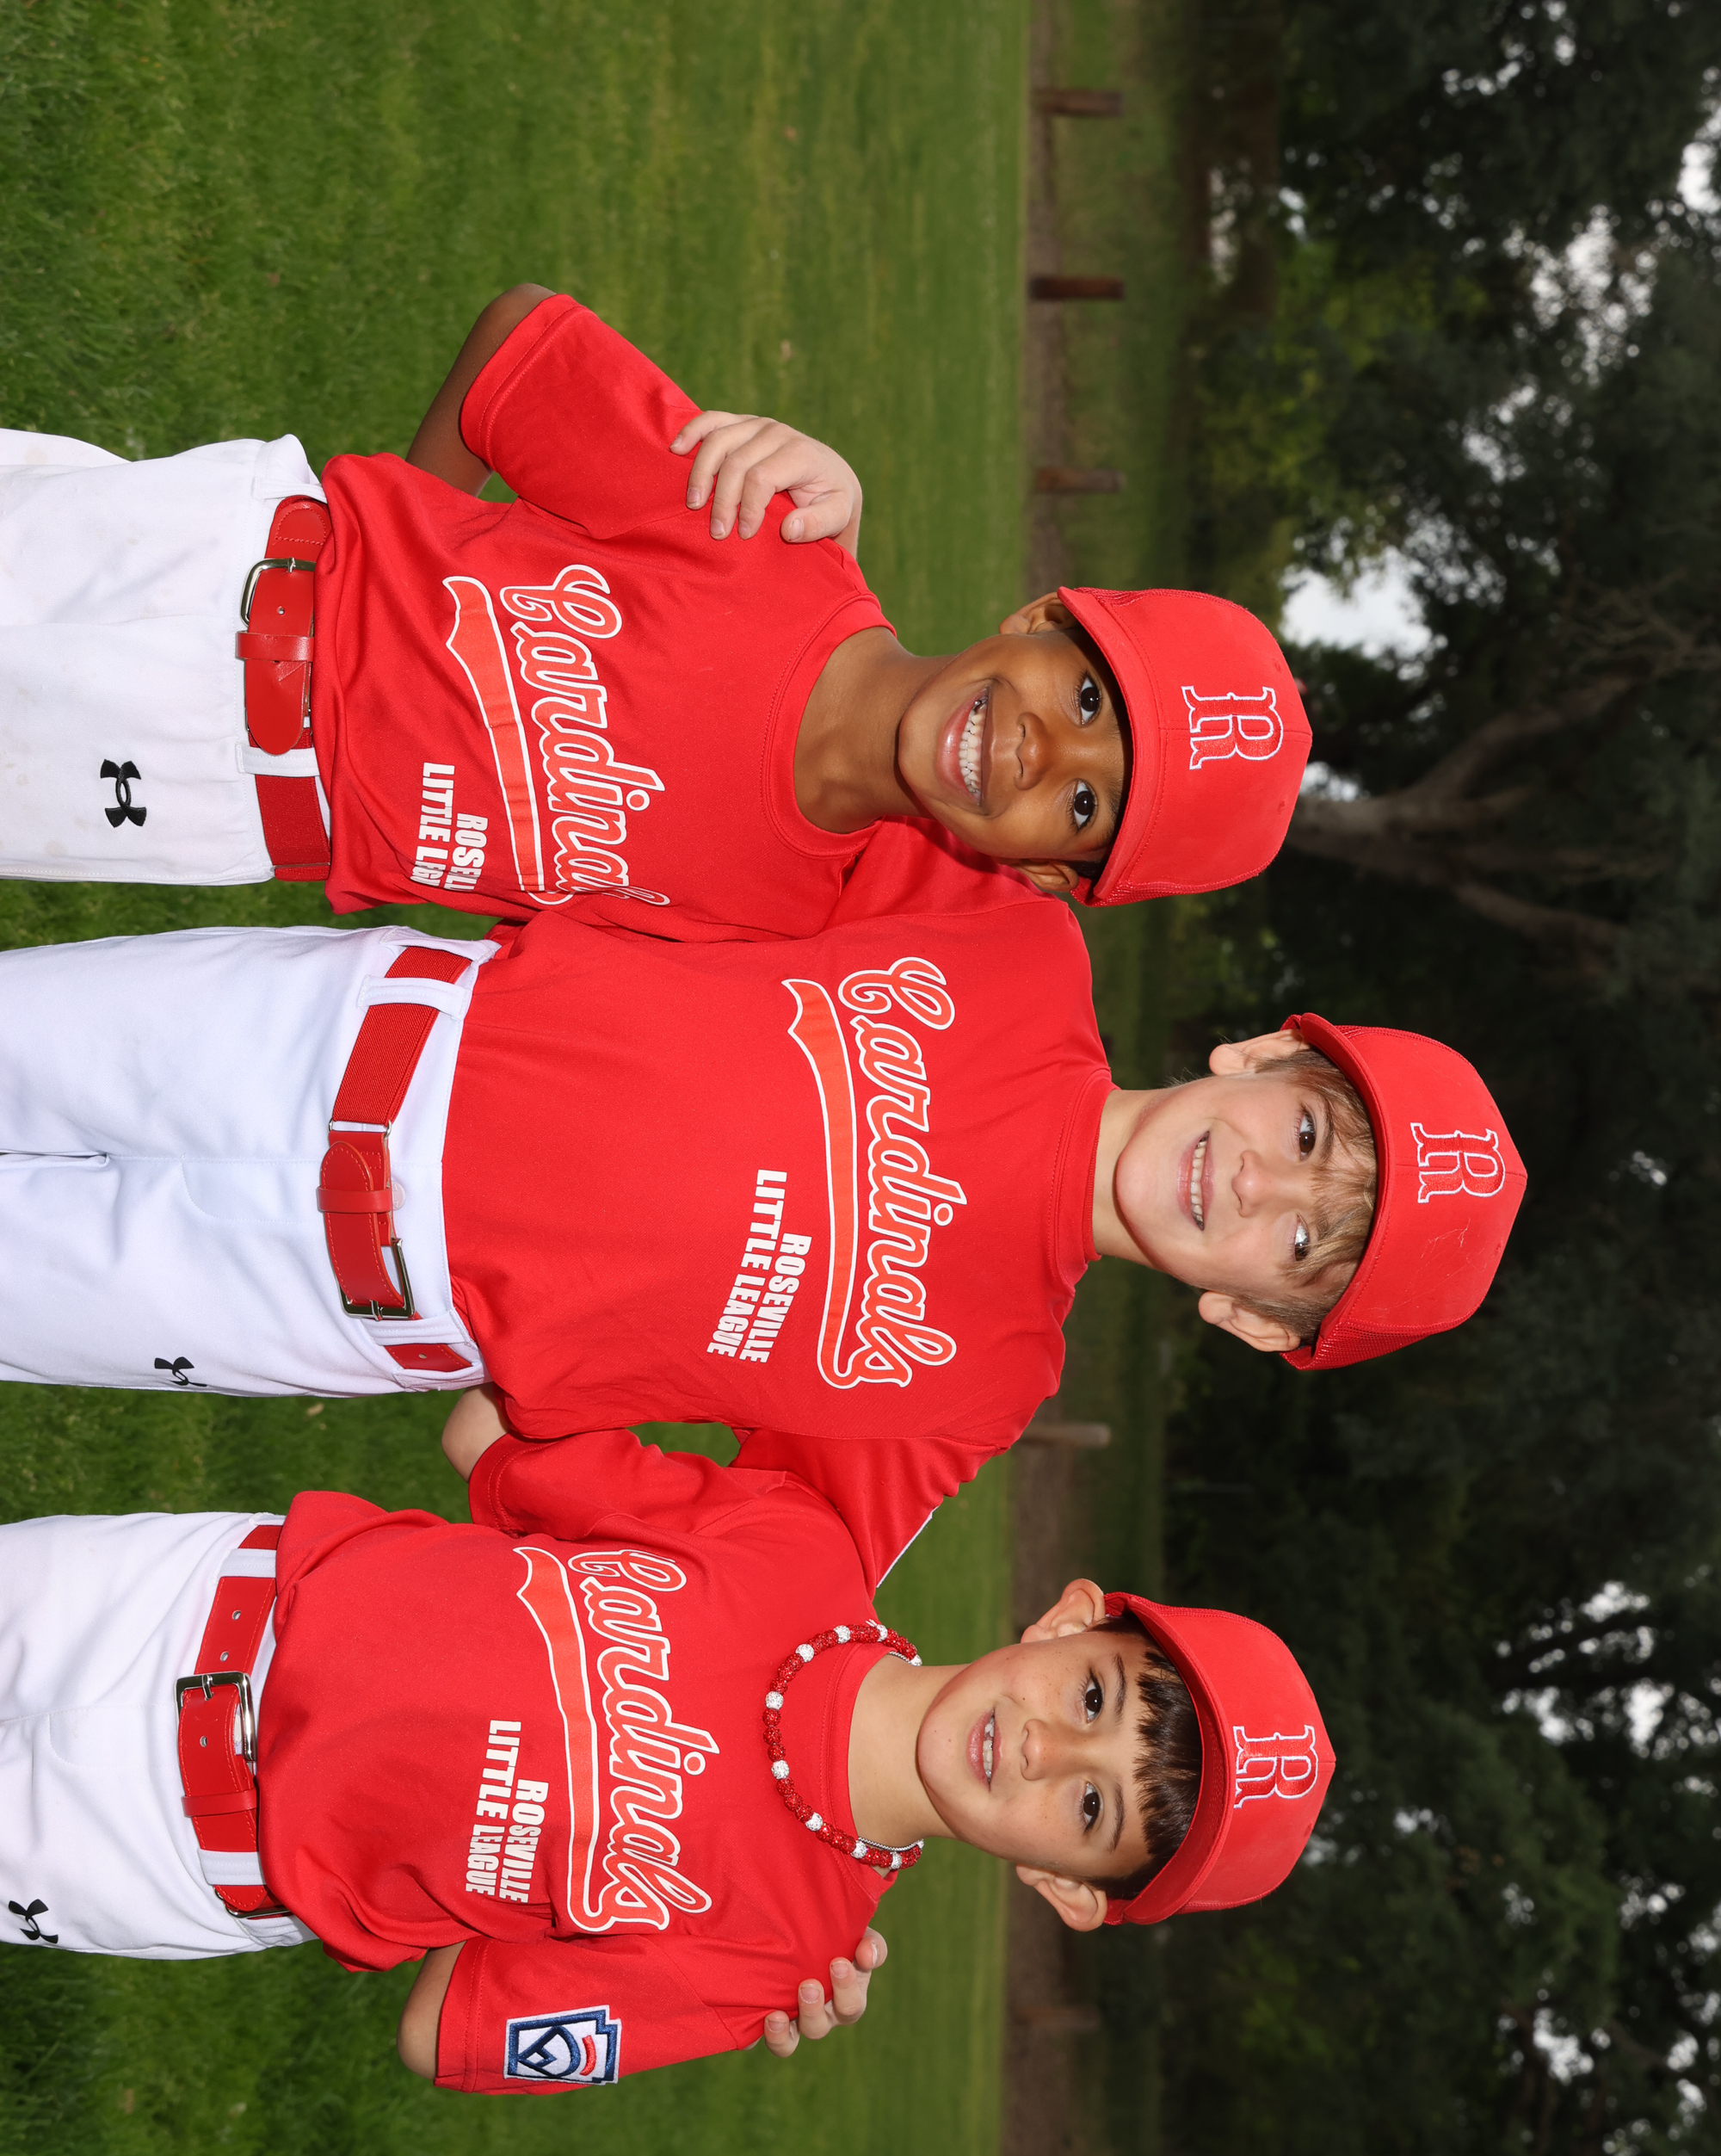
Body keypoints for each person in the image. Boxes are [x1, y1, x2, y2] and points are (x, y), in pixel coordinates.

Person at [0, 893, 1524, 1572]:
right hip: (342, 1030)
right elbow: (809, 755)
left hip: (326, 1296)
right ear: (1267, 1057)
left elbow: (775, 1593)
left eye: (1305, 1250)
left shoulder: (976, 1388)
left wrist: (536, 1452)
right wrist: (817, 509)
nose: (1260, 1189)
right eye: (1309, 1138)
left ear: (1253, 1318)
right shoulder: (1009, 936)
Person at [0, 1392, 1333, 2095]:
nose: (1044, 1751)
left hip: (183, 1850)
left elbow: (446, 2026)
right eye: (1093, 1700)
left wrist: (689, 2005)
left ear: (1063, 1888)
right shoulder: (799, 1545)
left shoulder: (783, 1959)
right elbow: (490, 1440)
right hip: (197, 1592)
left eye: (1091, 1815)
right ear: (1067, 1620)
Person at [0, 285, 1310, 924]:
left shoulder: (777, 923)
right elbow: (520, 352)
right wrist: (405, 530)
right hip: (213, 574)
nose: (1040, 750)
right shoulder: (769, 532)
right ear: (1037, 618)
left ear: (1043, 870)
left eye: (1084, 805)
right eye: (1087, 699)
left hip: (221, 809)